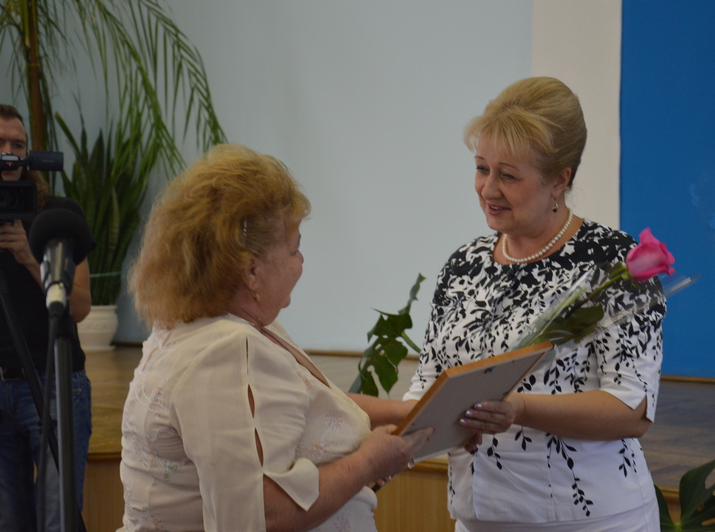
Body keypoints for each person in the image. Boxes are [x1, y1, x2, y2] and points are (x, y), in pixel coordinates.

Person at [119, 144, 432, 532]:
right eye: (294, 250)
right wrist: (369, 462)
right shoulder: (225, 350)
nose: (301, 263)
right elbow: (261, 516)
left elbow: (311, 404)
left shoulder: (210, 325)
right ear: (251, 271)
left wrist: (408, 413)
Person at [403, 77, 665, 531]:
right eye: (481, 168)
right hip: (478, 517)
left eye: (508, 176)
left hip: (591, 520)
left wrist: (521, 408)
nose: (488, 189)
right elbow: (427, 385)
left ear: (560, 179)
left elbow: (631, 409)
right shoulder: (463, 264)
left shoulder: (613, 262)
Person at [0, 104, 93, 531]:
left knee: (58, 520)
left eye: (17, 144)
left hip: (54, 385)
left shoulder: (57, 215)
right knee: (9, 521)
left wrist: (29, 257)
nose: (8, 153)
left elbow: (80, 305)